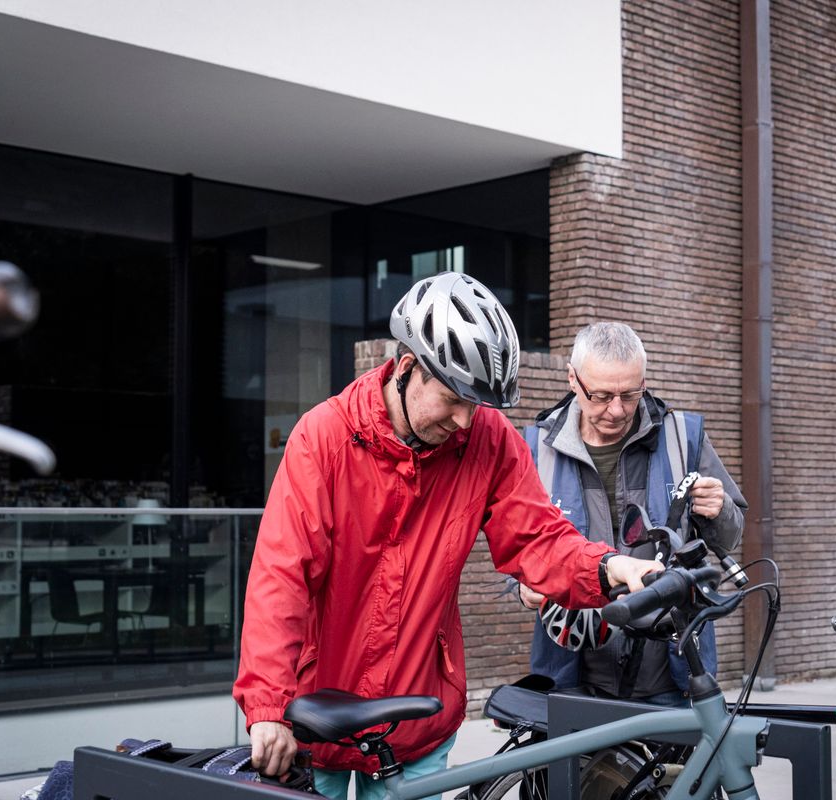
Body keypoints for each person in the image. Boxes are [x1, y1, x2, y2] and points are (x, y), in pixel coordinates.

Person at [233, 274, 663, 800]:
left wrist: (607, 566)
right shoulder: (324, 439)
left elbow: (537, 538)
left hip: (415, 716)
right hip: (316, 714)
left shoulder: (488, 440)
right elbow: (281, 577)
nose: (464, 420)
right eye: (454, 398)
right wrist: (268, 706)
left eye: (477, 404)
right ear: (407, 369)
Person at [519, 322, 747, 705]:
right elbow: (518, 545)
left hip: (672, 670)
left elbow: (731, 536)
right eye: (601, 395)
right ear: (573, 379)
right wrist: (522, 583)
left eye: (630, 394)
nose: (617, 410)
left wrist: (720, 509)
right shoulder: (535, 447)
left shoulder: (684, 437)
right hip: (571, 674)